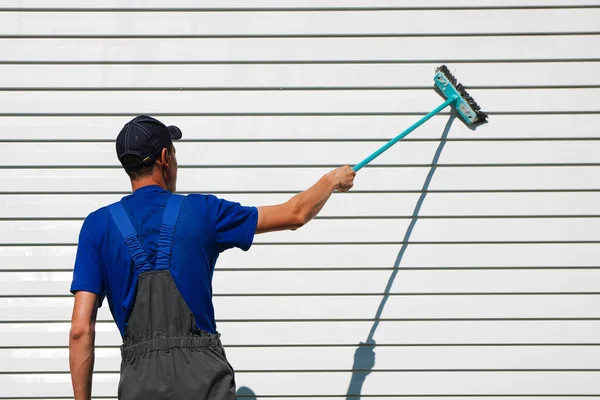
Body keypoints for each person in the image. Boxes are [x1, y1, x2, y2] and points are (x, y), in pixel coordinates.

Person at [68, 115, 356, 400]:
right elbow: (295, 213)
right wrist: (331, 180)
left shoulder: (97, 226)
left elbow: (81, 330)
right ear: (165, 158)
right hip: (203, 380)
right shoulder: (203, 211)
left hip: (139, 382)